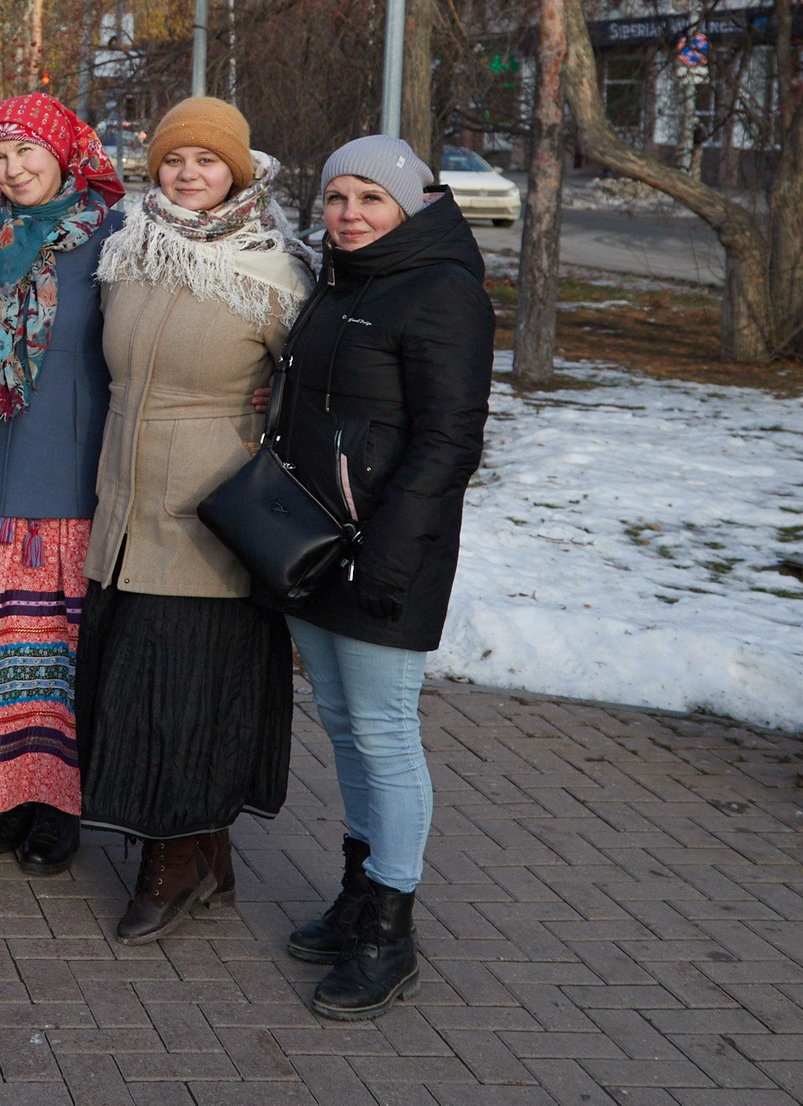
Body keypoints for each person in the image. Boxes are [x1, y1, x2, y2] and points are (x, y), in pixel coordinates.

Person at [75, 97, 312, 944]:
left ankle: (170, 867)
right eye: (175, 159)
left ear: (238, 173)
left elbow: (309, 392)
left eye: (208, 162)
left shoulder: (277, 271)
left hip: (211, 517)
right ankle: (207, 854)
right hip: (125, 504)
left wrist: (265, 434)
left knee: (181, 698)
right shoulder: (125, 250)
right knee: (130, 688)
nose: (188, 173)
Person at [274, 135, 493, 1021]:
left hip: (386, 555)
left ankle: (390, 929)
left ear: (408, 203)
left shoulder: (443, 291)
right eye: (337, 198)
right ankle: (359, 891)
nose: (350, 214)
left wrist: (387, 555)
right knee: (344, 725)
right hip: (320, 546)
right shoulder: (340, 280)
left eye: (370, 198)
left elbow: (449, 442)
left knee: (384, 732)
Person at [0, 94, 123, 878]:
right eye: (1, 156)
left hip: (65, 481)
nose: (13, 169)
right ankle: (6, 793)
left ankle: (59, 805)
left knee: (54, 657)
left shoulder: (112, 238)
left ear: (62, 150)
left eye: (28, 152)